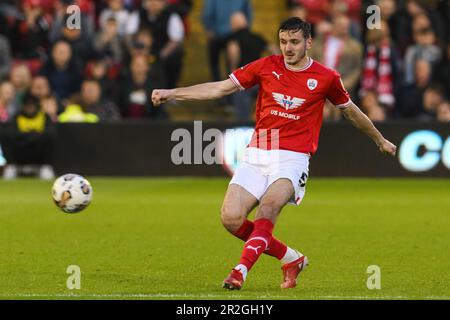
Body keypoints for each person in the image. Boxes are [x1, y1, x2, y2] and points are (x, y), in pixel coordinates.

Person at [151, 18, 397, 290]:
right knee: (231, 219)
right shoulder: (266, 66)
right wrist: (173, 93)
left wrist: (379, 139)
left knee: (268, 208)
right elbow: (220, 88)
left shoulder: (327, 77)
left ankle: (240, 271)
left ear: (308, 42)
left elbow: (351, 111)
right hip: (258, 151)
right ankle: (291, 258)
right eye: (283, 42)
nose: (288, 48)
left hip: (293, 156)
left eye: (294, 42)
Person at [2, 92, 55, 180]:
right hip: (18, 161)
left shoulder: (44, 117)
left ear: (37, 106)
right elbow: (11, 135)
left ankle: (46, 167)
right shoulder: (16, 117)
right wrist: (36, 135)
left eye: (32, 105)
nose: (30, 108)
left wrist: (25, 137)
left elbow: (49, 134)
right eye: (27, 105)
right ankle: (11, 166)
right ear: (23, 106)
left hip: (41, 162)